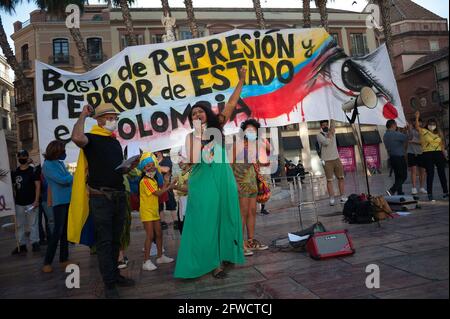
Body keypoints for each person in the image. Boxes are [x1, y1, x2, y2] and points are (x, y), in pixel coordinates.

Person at [174, 67, 246, 279]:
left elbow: (232, 103)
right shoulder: (190, 136)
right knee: (206, 221)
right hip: (203, 181)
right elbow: (194, 159)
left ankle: (225, 255)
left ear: (207, 113)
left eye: (200, 111)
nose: (197, 114)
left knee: (227, 216)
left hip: (223, 178)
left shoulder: (219, 125)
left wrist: (241, 80)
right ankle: (212, 263)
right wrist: (199, 134)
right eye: (193, 114)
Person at [71, 103, 135, 299]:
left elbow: (114, 168)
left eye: (115, 118)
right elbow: (76, 137)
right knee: (105, 242)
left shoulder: (114, 141)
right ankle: (108, 284)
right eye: (109, 117)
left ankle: (115, 276)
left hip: (118, 196)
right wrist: (82, 115)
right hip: (101, 198)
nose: (113, 121)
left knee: (116, 241)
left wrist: (127, 168)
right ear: (99, 120)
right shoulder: (91, 138)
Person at [232, 119, 270, 256]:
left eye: (254, 130)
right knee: (242, 213)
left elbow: (267, 157)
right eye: (248, 130)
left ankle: (251, 240)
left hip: (252, 183)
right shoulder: (238, 145)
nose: (251, 132)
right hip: (240, 183)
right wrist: (234, 183)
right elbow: (229, 165)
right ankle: (240, 244)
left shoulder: (256, 146)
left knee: (252, 211)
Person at [41, 140, 75, 273]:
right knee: (57, 232)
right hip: (59, 202)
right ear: (56, 152)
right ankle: (47, 262)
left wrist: (69, 176)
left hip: (67, 200)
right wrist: (73, 176)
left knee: (65, 232)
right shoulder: (47, 165)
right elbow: (63, 180)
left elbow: (66, 178)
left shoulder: (59, 163)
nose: (65, 153)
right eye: (63, 151)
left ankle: (64, 259)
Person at [138, 153, 175, 271]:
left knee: (159, 233)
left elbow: (160, 190)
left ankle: (160, 256)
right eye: (147, 166)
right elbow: (158, 193)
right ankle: (146, 261)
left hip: (154, 211)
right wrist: (169, 187)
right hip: (147, 212)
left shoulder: (152, 180)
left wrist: (166, 182)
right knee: (150, 235)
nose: (151, 168)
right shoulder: (145, 181)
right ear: (143, 169)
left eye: (152, 165)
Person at [11, 150, 41, 254]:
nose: (22, 158)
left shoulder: (33, 171)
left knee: (33, 224)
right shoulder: (15, 173)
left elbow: (38, 186)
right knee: (19, 225)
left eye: (24, 156)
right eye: (20, 156)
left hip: (32, 202)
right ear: (18, 158)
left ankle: (35, 243)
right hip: (19, 203)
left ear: (27, 157)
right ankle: (21, 245)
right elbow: (12, 188)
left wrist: (36, 200)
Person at [415, 111, 449, 201]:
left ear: (436, 125)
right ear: (427, 124)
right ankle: (430, 194)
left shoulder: (438, 133)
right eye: (430, 124)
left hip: (438, 154)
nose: (432, 125)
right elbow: (417, 126)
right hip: (427, 154)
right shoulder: (424, 131)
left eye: (433, 124)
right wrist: (417, 117)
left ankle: (445, 192)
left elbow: (442, 146)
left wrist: (445, 156)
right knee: (430, 174)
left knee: (442, 173)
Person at [316, 120, 347, 206]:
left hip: (336, 158)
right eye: (323, 125)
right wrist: (329, 135)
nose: (325, 126)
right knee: (329, 180)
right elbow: (326, 143)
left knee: (341, 178)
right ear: (321, 126)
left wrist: (331, 123)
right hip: (326, 160)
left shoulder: (332, 131)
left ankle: (343, 196)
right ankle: (331, 198)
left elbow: (333, 123)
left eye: (327, 125)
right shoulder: (319, 135)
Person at [383, 119, 408, 196]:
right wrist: (408, 129)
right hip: (399, 157)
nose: (396, 126)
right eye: (396, 125)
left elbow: (400, 138)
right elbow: (408, 137)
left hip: (392, 157)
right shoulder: (395, 134)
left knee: (398, 176)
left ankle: (400, 192)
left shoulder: (385, 135)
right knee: (403, 176)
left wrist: (402, 132)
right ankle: (392, 190)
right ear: (393, 125)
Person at [155, 150, 178, 231]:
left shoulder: (166, 159)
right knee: (159, 205)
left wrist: (154, 166)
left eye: (156, 152)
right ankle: (163, 222)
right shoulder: (154, 160)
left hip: (167, 184)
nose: (154, 153)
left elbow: (166, 169)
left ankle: (175, 221)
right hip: (157, 185)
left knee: (171, 203)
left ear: (159, 152)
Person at [407, 117, 427, 195]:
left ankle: (421, 187)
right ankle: (414, 188)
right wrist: (409, 129)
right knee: (413, 171)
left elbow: (424, 142)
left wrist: (414, 142)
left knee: (422, 171)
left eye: (418, 122)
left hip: (421, 153)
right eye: (415, 122)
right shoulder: (410, 131)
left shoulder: (424, 131)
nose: (417, 123)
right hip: (411, 153)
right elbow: (409, 139)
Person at [173, 157, 192, 234]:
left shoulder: (191, 173)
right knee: (181, 226)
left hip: (188, 202)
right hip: (182, 202)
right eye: (178, 161)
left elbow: (188, 188)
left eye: (181, 160)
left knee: (185, 226)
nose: (179, 163)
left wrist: (175, 187)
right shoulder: (181, 173)